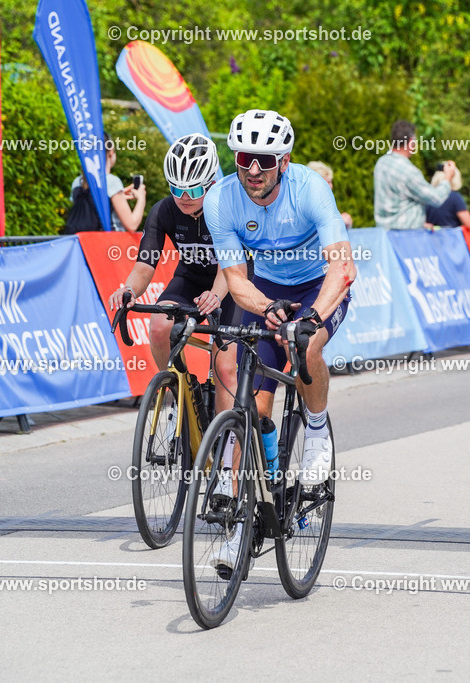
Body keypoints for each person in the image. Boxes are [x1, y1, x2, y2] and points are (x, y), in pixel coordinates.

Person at [203, 109, 356, 568]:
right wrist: (267, 309)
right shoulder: (221, 201)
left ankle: (315, 431)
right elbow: (234, 278)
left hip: (317, 285)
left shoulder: (311, 189)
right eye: (245, 158)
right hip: (266, 290)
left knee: (306, 344)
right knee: (253, 408)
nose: (253, 170)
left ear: (283, 162)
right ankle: (248, 519)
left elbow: (343, 268)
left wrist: (309, 317)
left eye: (264, 161)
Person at [107, 133, 241, 414]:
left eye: (192, 191)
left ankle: (227, 447)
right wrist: (128, 290)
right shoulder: (164, 209)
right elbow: (145, 264)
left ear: (211, 185)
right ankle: (180, 394)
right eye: (175, 188)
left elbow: (228, 264)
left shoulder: (226, 207)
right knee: (158, 326)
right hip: (190, 278)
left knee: (225, 369)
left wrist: (216, 295)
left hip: (230, 283)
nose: (183, 198)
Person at [373, 120, 458, 229]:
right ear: (411, 142)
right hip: (404, 238)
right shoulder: (408, 171)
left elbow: (395, 202)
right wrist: (447, 178)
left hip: (384, 234)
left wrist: (419, 223)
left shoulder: (382, 163)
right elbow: (435, 198)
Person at [70, 135, 146, 232]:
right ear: (111, 153)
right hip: (109, 244)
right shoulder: (111, 181)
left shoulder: (77, 182)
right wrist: (141, 198)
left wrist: (119, 196)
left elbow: (89, 208)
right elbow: (132, 225)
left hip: (83, 243)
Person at [307, 161, 353, 229]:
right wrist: (340, 221)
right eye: (326, 182)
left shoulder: (326, 202)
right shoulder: (307, 203)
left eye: (330, 182)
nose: (330, 186)